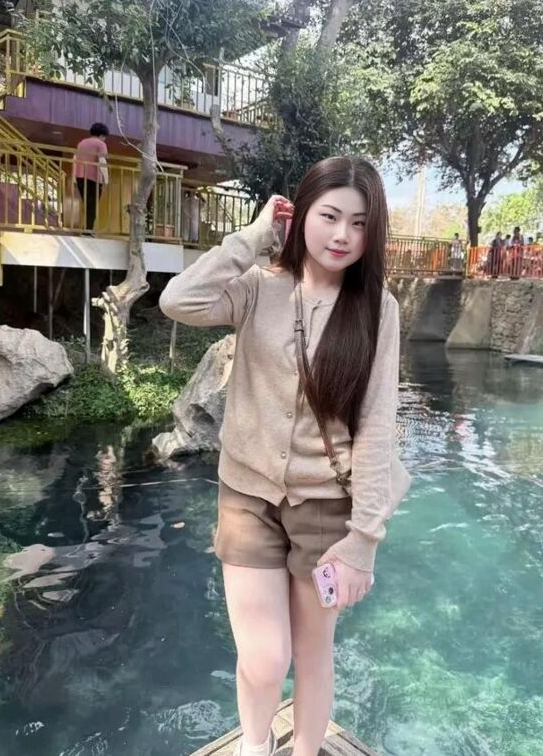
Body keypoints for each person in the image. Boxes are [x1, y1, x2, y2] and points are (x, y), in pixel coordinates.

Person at [159, 157, 410, 756]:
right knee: (266, 657)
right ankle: (254, 745)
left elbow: (377, 425)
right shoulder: (258, 287)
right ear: (301, 216)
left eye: (359, 223)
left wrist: (364, 540)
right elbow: (177, 300)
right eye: (329, 216)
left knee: (313, 652)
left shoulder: (378, 309)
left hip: (326, 507)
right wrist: (251, 238)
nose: (343, 235)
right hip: (246, 499)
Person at [72, 122, 109, 232]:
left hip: (80, 177)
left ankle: (87, 228)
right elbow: (102, 161)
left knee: (87, 203)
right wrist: (106, 179)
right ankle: (88, 230)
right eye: (105, 137)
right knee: (92, 205)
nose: (105, 139)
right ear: (102, 135)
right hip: (93, 178)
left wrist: (74, 178)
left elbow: (75, 159)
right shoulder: (101, 144)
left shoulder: (81, 143)